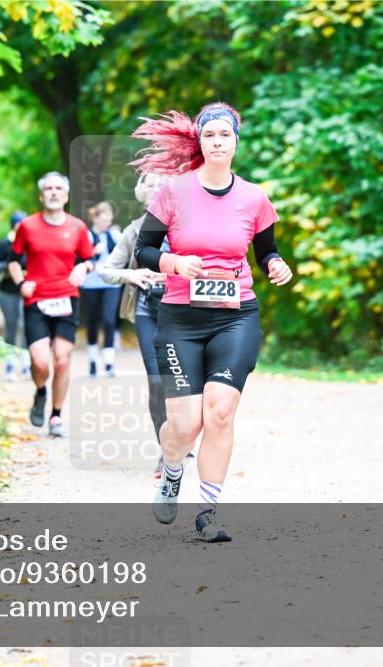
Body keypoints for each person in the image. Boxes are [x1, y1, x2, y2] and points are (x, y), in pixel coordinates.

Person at [131, 102, 294, 542]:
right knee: (185, 425)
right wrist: (173, 262)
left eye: (225, 135)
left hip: (235, 317)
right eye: (210, 135)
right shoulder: (174, 192)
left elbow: (266, 252)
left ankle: (208, 511)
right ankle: (170, 472)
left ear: (236, 141)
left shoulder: (255, 197)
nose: (218, 141)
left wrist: (277, 265)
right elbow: (143, 251)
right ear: (200, 143)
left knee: (219, 413)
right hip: (181, 318)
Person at [8, 172, 95, 438]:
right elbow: (13, 260)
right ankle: (41, 392)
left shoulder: (77, 227)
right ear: (41, 195)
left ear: (66, 195)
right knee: (41, 362)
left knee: (62, 359)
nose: (54, 192)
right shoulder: (27, 226)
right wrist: (20, 283)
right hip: (36, 299)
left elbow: (88, 259)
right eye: (49, 188)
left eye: (59, 188)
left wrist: (83, 268)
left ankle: (56, 416)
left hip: (66, 299)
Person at [100, 173, 172, 477]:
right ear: (142, 193)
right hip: (147, 310)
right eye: (150, 184)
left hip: (185, 312)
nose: (155, 188)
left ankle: (183, 433)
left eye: (162, 183)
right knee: (157, 381)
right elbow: (107, 271)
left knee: (185, 382)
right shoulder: (133, 231)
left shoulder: (186, 225)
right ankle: (166, 451)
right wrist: (131, 275)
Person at [80, 201, 124, 378]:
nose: (108, 220)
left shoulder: (115, 235)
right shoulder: (87, 235)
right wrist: (92, 252)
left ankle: (108, 362)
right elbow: (80, 257)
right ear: (95, 217)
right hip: (91, 284)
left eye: (110, 216)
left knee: (109, 321)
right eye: (104, 216)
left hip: (111, 283)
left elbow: (125, 254)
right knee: (92, 322)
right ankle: (92, 360)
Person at [0, 211, 31, 382]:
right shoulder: (4, 244)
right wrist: (7, 268)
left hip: (27, 291)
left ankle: (27, 363)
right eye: (17, 223)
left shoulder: (31, 243)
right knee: (11, 327)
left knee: (26, 326)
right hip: (8, 291)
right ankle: (10, 364)